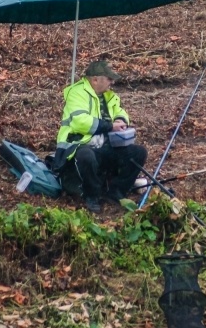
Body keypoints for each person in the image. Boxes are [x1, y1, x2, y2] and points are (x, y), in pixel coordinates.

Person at [52, 61, 147, 214]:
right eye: (108, 79)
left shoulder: (109, 96)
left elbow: (120, 111)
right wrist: (109, 126)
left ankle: (117, 192)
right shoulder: (76, 93)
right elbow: (80, 122)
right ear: (95, 79)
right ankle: (92, 196)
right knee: (86, 156)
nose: (112, 82)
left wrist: (121, 121)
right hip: (77, 145)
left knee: (138, 152)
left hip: (105, 146)